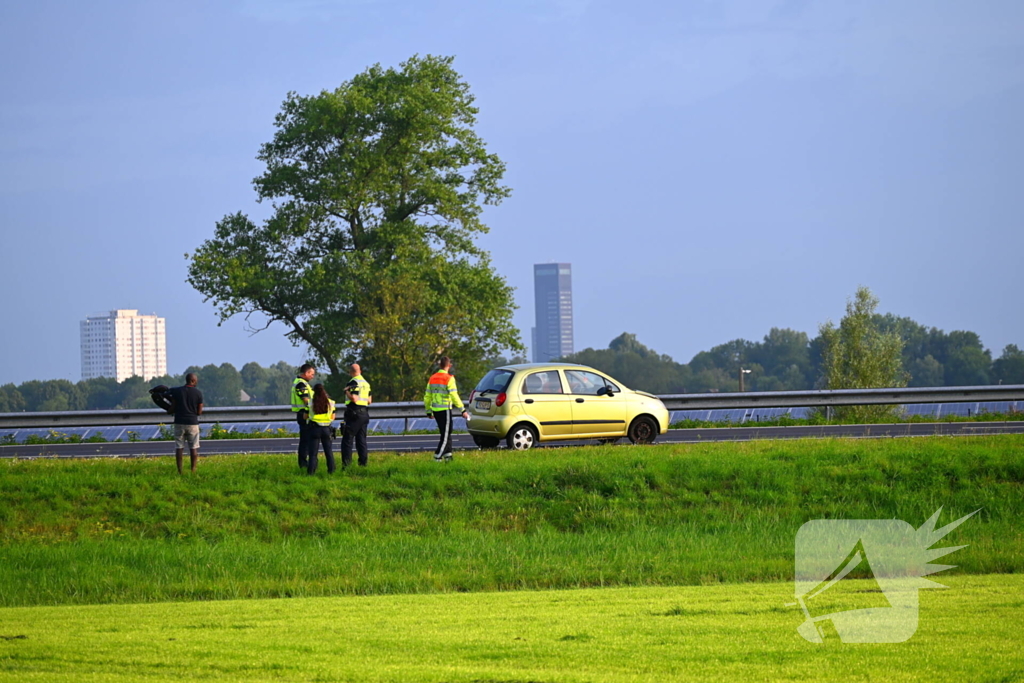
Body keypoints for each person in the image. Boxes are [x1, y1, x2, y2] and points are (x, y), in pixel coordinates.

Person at [424, 356, 468, 462]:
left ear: (440, 365)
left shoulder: (432, 377)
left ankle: (448, 456)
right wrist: (463, 410)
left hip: (435, 410)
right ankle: (437, 456)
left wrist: (428, 411)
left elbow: (427, 396)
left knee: (446, 432)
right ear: (449, 365)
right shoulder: (449, 378)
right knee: (445, 434)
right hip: (445, 410)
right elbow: (454, 396)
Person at [168, 373, 203, 474]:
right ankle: (193, 470)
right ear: (193, 381)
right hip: (192, 422)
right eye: (196, 380)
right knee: (193, 447)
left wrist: (168, 410)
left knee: (179, 447)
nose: (197, 382)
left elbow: (173, 407)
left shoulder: (178, 392)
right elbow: (199, 412)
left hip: (179, 421)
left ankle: (180, 471)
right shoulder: (198, 393)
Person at [341, 363, 372, 468]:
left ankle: (346, 465)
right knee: (361, 440)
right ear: (360, 371)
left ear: (350, 372)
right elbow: (369, 401)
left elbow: (354, 398)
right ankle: (363, 464)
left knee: (347, 439)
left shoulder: (354, 382)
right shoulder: (366, 383)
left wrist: (346, 392)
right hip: (364, 413)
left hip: (354, 413)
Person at [306, 383, 337, 475]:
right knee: (328, 452)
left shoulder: (310, 402)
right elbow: (333, 416)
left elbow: (305, 416)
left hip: (314, 428)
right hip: (326, 429)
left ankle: (311, 472)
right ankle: (331, 471)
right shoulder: (331, 402)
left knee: (313, 454)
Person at [291, 364, 316, 469]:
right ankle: (303, 464)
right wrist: (316, 408)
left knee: (307, 440)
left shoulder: (303, 383)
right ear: (306, 373)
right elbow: (306, 400)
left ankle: (305, 463)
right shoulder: (301, 384)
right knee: (305, 440)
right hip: (304, 414)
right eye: (312, 374)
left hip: (305, 413)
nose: (313, 376)